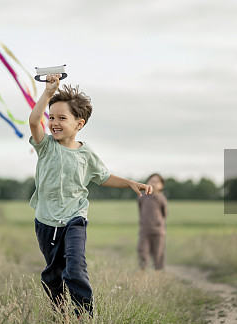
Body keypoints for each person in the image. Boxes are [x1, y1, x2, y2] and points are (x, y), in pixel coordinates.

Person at [28, 74, 153, 317]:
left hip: (75, 219)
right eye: (51, 117)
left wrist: (129, 183)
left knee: (74, 269)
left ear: (79, 124)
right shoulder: (46, 147)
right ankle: (60, 314)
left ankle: (85, 315)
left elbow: (103, 176)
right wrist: (47, 94)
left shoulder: (87, 154)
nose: (54, 122)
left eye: (62, 118)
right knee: (53, 275)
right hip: (46, 221)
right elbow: (34, 122)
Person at [137, 173, 168, 271]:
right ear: (147, 183)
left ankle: (158, 273)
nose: (154, 184)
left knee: (158, 253)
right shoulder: (142, 197)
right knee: (143, 251)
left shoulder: (161, 198)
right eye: (151, 181)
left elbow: (164, 213)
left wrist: (158, 222)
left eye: (157, 182)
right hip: (145, 230)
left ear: (161, 186)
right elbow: (140, 209)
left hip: (158, 231)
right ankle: (142, 272)